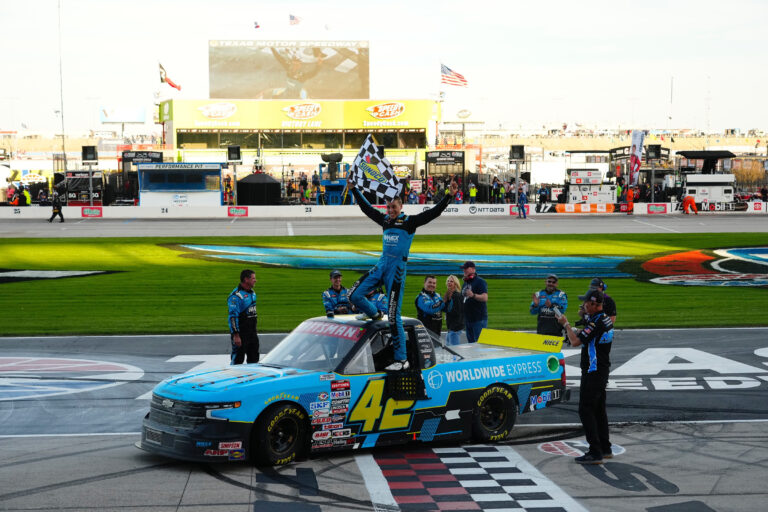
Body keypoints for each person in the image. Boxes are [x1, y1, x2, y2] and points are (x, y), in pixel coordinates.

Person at [347, 176, 458, 371]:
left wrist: (448, 196)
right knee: (353, 295)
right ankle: (374, 313)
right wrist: (354, 189)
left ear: (401, 206)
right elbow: (367, 209)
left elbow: (433, 213)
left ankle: (402, 360)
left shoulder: (410, 222)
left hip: (397, 271)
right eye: (388, 207)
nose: (390, 211)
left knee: (393, 317)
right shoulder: (385, 220)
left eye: (393, 208)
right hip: (382, 265)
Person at [557, 289, 614, 464]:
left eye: (586, 303)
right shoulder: (603, 319)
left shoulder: (596, 323)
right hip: (601, 370)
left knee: (586, 409)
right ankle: (605, 448)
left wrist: (566, 325)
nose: (584, 305)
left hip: (593, 371)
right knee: (598, 410)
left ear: (595, 304)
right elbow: (588, 334)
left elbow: (575, 342)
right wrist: (583, 320)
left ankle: (595, 452)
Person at [227, 269, 259, 365]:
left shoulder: (252, 293)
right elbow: (233, 317)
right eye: (253, 278)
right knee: (237, 361)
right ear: (246, 280)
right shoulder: (236, 296)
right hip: (241, 335)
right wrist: (236, 335)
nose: (255, 280)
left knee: (254, 360)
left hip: (252, 334)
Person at [461, 261, 488, 343]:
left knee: (479, 344)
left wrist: (473, 295)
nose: (464, 270)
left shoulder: (480, 281)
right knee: (471, 345)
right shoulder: (465, 283)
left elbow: (485, 297)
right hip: (468, 319)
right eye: (463, 269)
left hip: (478, 319)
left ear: (473, 269)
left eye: (466, 268)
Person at [443, 275, 464, 345]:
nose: (449, 283)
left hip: (455, 328)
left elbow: (457, 312)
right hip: (451, 327)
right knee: (448, 349)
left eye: (451, 281)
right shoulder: (449, 294)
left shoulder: (456, 296)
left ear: (455, 284)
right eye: (448, 281)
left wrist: (445, 308)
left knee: (454, 351)